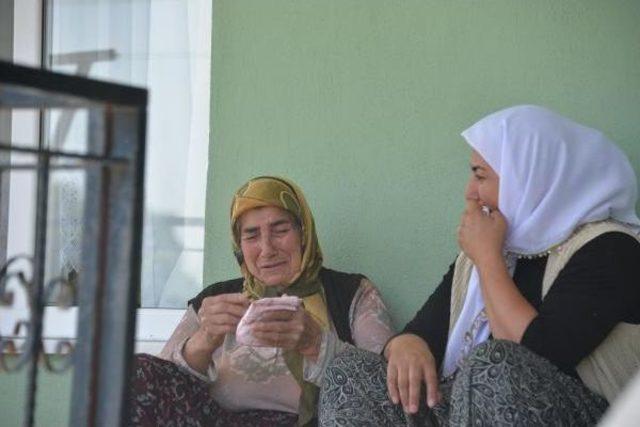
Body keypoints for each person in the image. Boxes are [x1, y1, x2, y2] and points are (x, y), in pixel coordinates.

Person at [319, 105, 640, 426]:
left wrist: (488, 260)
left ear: (529, 178)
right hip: (466, 409)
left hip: (588, 414)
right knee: (350, 372)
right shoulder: (496, 249)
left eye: (481, 176)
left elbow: (539, 356)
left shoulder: (609, 248)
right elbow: (423, 332)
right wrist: (404, 345)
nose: (470, 193)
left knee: (493, 363)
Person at [129, 176, 394, 426]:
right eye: (252, 235)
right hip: (217, 421)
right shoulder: (214, 301)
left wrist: (315, 343)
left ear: (304, 234)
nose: (267, 249)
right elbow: (160, 386)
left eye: (280, 230)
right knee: (136, 372)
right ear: (238, 246)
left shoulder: (350, 293)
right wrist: (205, 339)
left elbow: (383, 391)